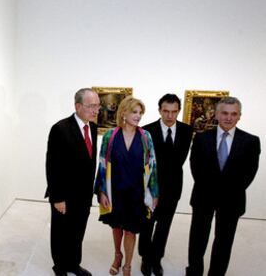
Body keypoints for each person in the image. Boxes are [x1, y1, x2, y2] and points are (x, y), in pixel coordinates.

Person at [186, 96, 261, 276]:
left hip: (232, 200)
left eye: (233, 114)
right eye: (225, 113)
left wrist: (226, 192)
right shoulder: (201, 139)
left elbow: (249, 173)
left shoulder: (251, 141)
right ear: (217, 114)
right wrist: (211, 190)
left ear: (239, 116)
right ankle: (194, 272)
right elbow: (195, 168)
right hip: (203, 196)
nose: (229, 117)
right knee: (198, 239)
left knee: (224, 241)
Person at [94, 96, 158, 276]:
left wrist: (154, 193)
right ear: (123, 112)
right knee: (116, 227)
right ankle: (117, 255)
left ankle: (128, 265)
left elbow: (152, 165)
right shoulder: (110, 136)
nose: (138, 116)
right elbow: (102, 164)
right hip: (116, 192)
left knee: (131, 230)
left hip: (137, 193)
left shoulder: (146, 136)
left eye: (140, 113)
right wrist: (102, 191)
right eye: (134, 112)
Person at [45, 88, 100, 276]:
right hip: (64, 195)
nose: (96, 110)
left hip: (84, 194)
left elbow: (89, 162)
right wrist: (57, 197)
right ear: (78, 106)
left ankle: (73, 264)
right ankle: (60, 267)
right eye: (91, 106)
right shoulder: (60, 129)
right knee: (61, 233)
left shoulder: (92, 127)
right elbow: (52, 166)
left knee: (78, 231)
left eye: (97, 106)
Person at [138, 94, 193, 276]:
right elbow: (144, 161)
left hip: (173, 187)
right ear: (159, 110)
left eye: (174, 111)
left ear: (179, 111)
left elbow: (180, 160)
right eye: (166, 111)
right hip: (150, 187)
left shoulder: (186, 131)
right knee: (147, 224)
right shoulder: (146, 130)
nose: (170, 116)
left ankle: (156, 259)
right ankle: (146, 259)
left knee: (164, 225)